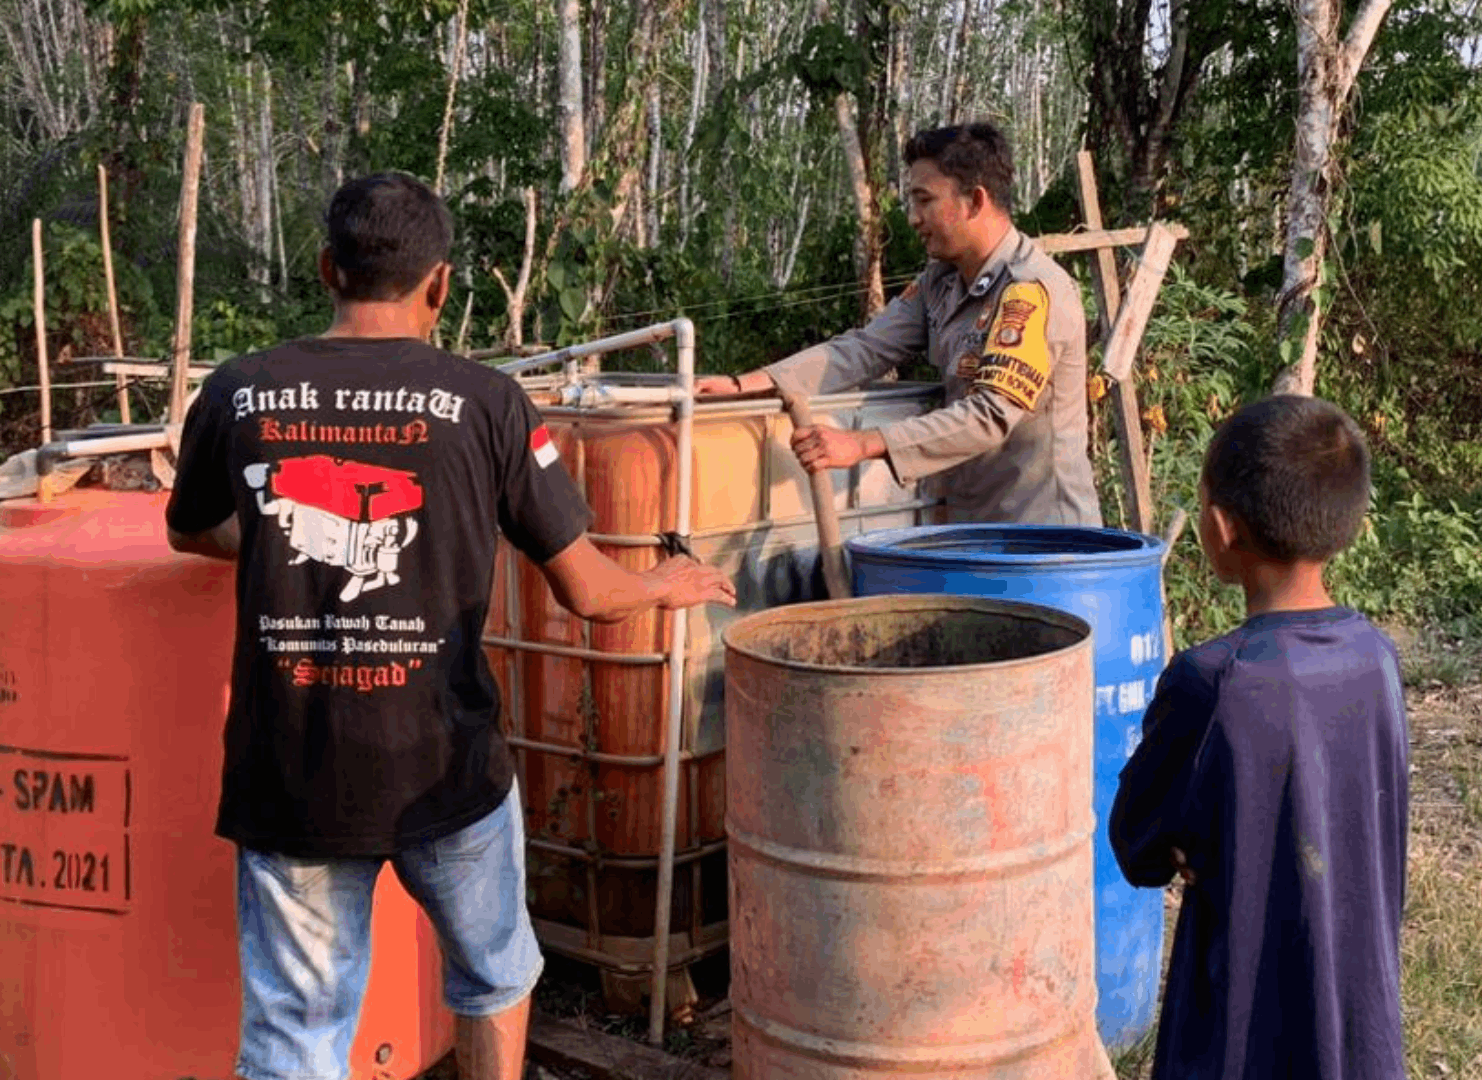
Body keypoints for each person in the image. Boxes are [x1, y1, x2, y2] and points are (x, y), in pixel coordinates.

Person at [164, 172, 735, 1080]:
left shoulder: (239, 391)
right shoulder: (488, 402)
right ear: (440, 285)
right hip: (445, 768)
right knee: (495, 976)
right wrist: (666, 582)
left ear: (325, 269)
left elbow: (192, 529)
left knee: (295, 1035)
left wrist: (284, 544)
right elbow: (586, 593)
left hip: (294, 767)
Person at [1108, 395, 1410, 1080]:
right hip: (1357, 1025)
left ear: (1219, 527)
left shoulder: (1210, 681)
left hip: (1238, 1036)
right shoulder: (1377, 659)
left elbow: (1138, 844)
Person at [696, 122, 1101, 526]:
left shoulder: (1029, 290)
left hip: (1047, 540)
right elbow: (865, 348)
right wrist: (744, 385)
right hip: (977, 530)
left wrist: (864, 444)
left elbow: (990, 414)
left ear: (975, 201)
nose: (912, 218)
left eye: (924, 200)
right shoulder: (940, 281)